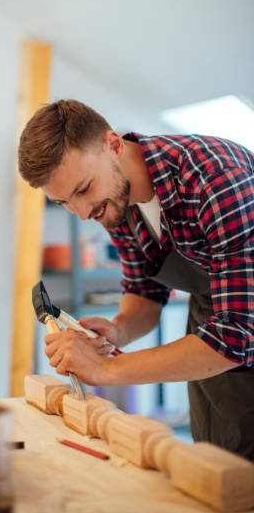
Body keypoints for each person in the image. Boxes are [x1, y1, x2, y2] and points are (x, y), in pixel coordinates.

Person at [18, 99, 254, 460]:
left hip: (237, 323)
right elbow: (145, 292)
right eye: (65, 202)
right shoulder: (115, 198)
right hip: (212, 321)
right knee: (217, 466)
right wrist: (118, 331)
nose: (82, 214)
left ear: (114, 145)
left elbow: (236, 332)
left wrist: (106, 369)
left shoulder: (215, 177)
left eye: (82, 189)